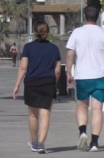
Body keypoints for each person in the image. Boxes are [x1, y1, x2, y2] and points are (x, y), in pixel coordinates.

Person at [66, 6, 104, 152]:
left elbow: (70, 54)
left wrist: (69, 73)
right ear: (97, 18)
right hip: (101, 76)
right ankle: (94, 143)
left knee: (82, 106)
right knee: (97, 109)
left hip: (82, 76)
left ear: (84, 18)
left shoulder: (76, 33)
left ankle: (83, 132)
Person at [13, 21, 61, 154]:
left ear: (34, 32)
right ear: (48, 32)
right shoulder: (54, 48)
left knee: (33, 114)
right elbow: (57, 71)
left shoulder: (28, 47)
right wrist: (54, 83)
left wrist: (17, 85)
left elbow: (23, 67)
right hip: (48, 82)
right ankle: (41, 143)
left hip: (31, 83)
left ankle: (34, 142)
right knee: (45, 113)